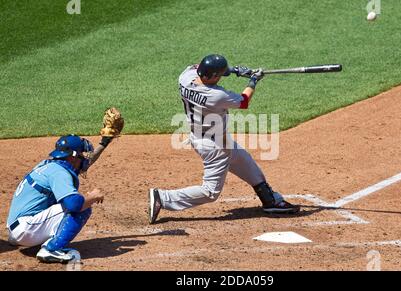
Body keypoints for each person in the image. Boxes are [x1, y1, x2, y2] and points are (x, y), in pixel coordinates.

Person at [148, 54, 300, 224]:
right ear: (213, 76)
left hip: (204, 137)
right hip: (214, 146)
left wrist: (234, 70)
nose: (221, 78)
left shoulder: (185, 77)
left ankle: (270, 200)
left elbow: (195, 65)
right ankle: (163, 198)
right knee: (210, 192)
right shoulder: (216, 95)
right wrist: (253, 80)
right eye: (219, 75)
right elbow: (243, 101)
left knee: (244, 161)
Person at [6, 134, 115, 263]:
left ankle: (25, 238)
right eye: (82, 155)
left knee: (73, 202)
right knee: (81, 206)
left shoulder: (49, 165)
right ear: (72, 157)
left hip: (16, 231)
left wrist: (104, 143)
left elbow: (85, 163)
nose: (85, 158)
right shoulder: (59, 173)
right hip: (26, 231)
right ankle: (51, 249)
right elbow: (74, 205)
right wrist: (92, 197)